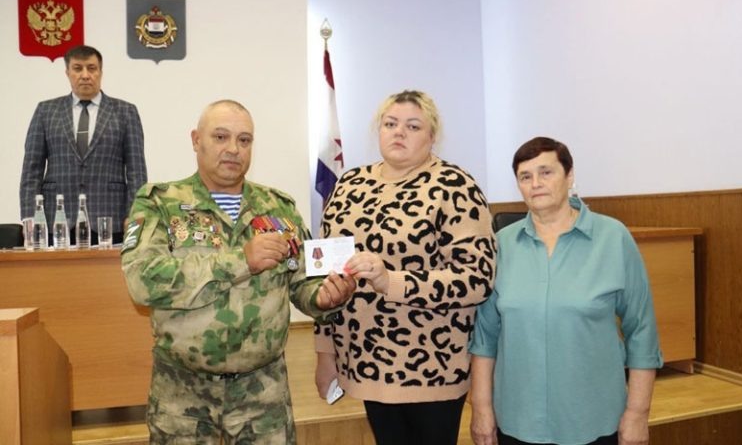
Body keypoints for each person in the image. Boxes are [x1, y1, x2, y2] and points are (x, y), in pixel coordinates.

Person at [121, 99, 356, 444]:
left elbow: (303, 282)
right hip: (182, 392)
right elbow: (142, 281)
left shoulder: (279, 208)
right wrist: (241, 260)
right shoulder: (160, 203)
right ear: (196, 140)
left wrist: (325, 297)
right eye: (221, 137)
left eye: (244, 140)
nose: (233, 148)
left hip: (262, 392)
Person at [314, 90, 497, 445]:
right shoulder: (349, 185)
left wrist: (392, 281)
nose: (399, 132)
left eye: (413, 126)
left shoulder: (454, 186)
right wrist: (325, 352)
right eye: (390, 124)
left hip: (432, 368)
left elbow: (477, 279)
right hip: (364, 361)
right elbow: (327, 275)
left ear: (432, 136)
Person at [469, 137, 663, 445]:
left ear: (569, 176)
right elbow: (484, 337)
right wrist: (481, 408)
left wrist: (638, 412)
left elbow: (642, 330)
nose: (535, 184)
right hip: (518, 420)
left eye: (546, 172)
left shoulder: (612, 237)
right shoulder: (501, 245)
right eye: (525, 176)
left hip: (593, 419)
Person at [19, 45, 147, 245]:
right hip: (56, 220)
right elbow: (31, 170)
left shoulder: (125, 112)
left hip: (110, 220)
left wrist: (135, 215)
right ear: (67, 72)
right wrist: (30, 217)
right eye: (78, 68)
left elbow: (136, 171)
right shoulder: (46, 111)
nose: (85, 75)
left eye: (92, 68)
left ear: (101, 72)